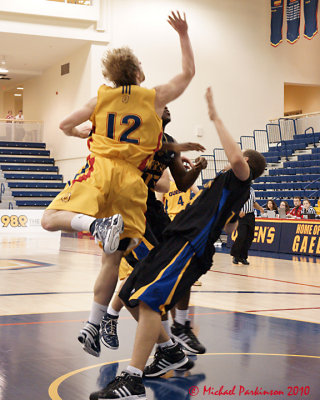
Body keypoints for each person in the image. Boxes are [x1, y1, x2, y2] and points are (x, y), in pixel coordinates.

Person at [89, 87, 266, 400]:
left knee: (149, 301)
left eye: (239, 162)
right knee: (131, 295)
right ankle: (169, 351)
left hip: (188, 246)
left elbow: (237, 158)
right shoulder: (224, 183)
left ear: (246, 166)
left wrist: (214, 116)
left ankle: (133, 378)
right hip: (174, 239)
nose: (230, 161)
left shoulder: (240, 179)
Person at [41, 11, 196, 357]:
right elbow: (188, 73)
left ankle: (95, 226)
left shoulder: (100, 99)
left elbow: (65, 124)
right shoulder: (153, 97)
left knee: (50, 219)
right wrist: (183, 34)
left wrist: (79, 130)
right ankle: (93, 325)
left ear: (111, 73)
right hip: (132, 182)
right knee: (112, 259)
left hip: (100, 169)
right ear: (138, 73)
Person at [98, 108, 207, 360]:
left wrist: (197, 167)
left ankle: (179, 328)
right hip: (127, 207)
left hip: (151, 207)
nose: (169, 106)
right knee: (146, 273)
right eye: (163, 103)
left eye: (170, 105)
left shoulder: (169, 143)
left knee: (181, 256)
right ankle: (110, 317)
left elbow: (180, 183)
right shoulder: (137, 136)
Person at [230, 187, 264, 265]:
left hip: (250, 215)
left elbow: (254, 203)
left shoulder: (252, 190)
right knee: (242, 235)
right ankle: (235, 255)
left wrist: (260, 208)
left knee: (250, 237)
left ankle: (243, 257)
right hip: (241, 216)